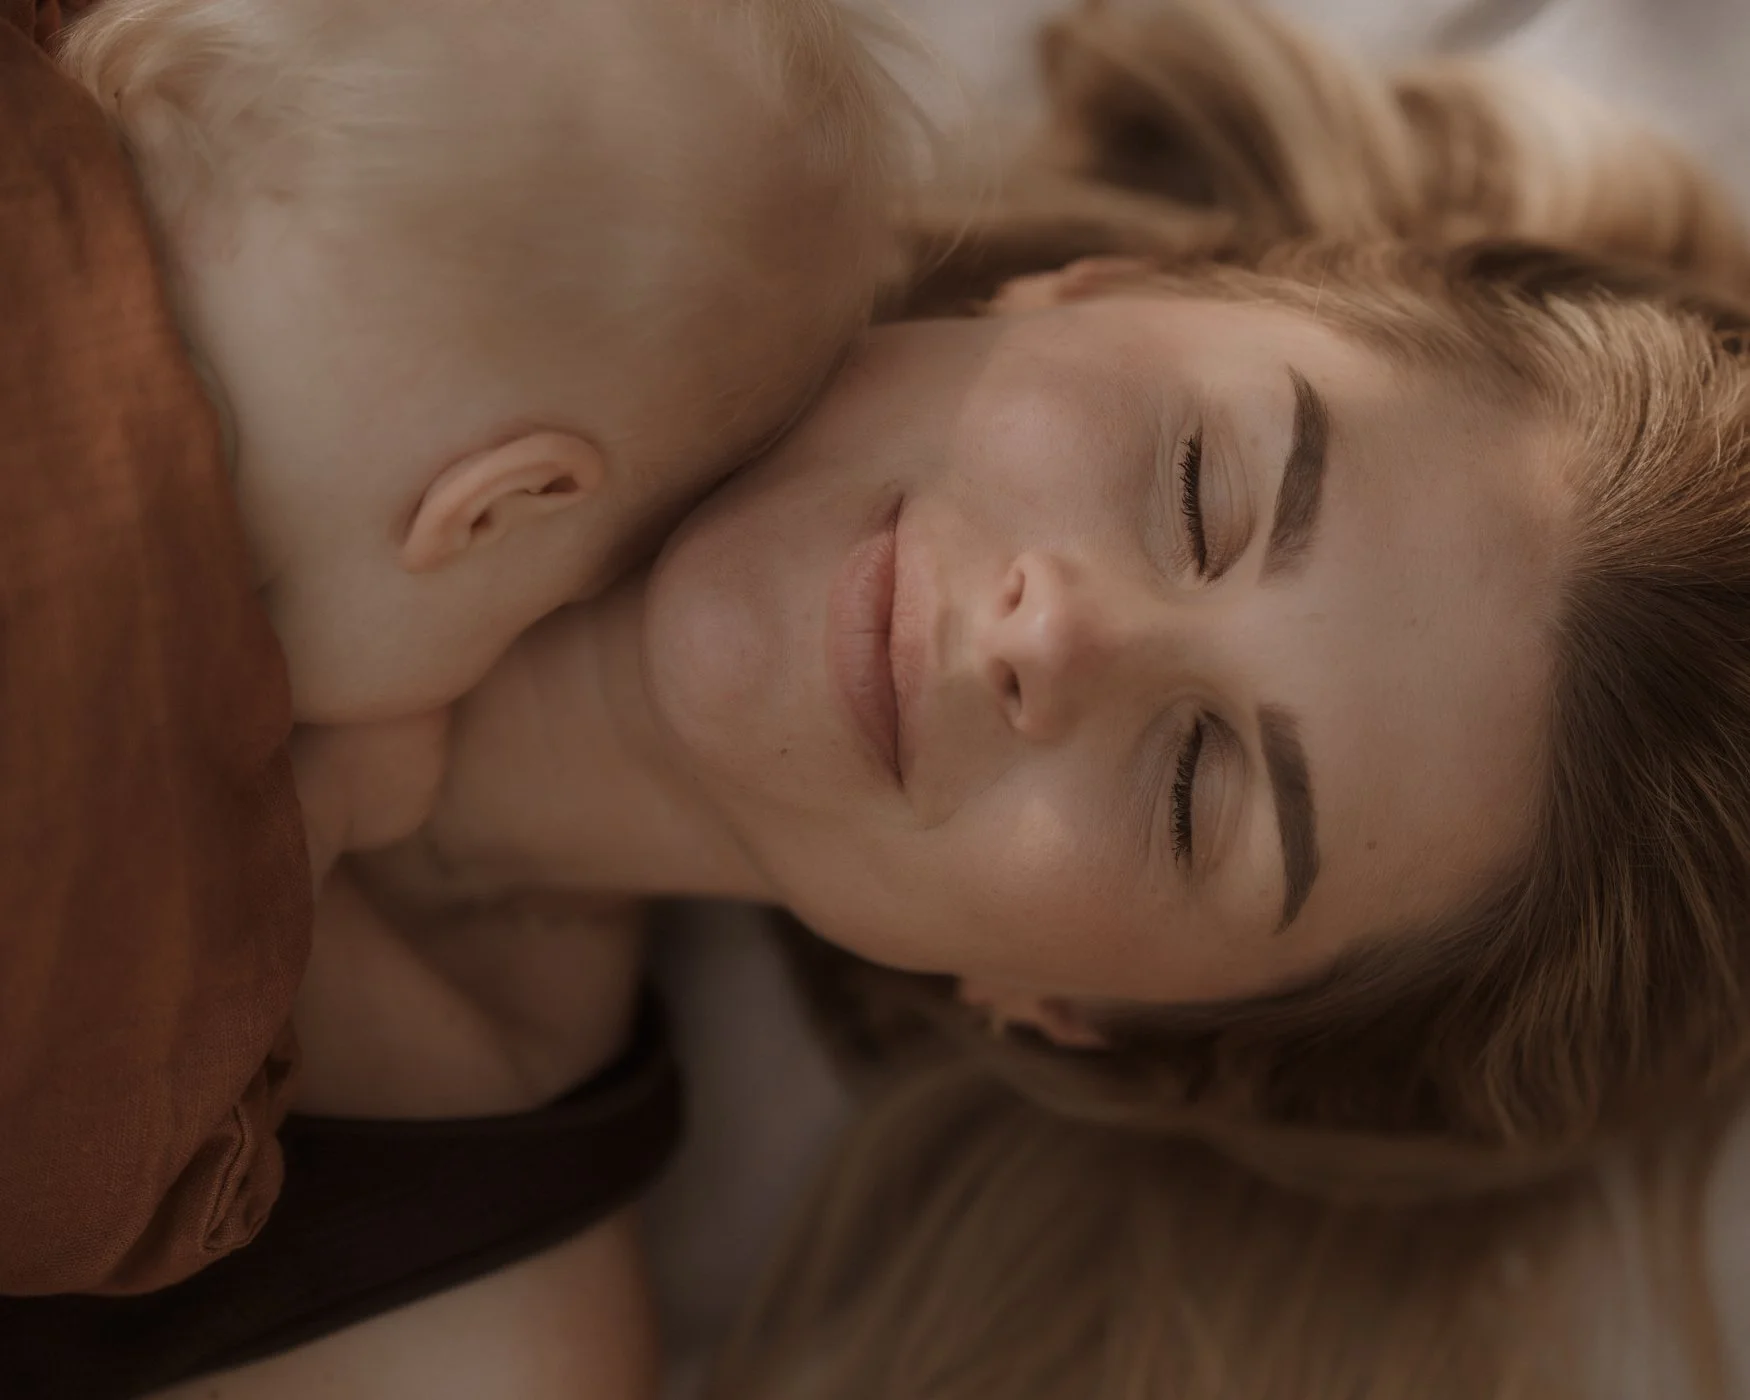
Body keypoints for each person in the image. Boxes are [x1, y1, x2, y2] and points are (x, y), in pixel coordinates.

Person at [23, 0, 1750, 1394]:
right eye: (1203, 490)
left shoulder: (438, 1348)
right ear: (1106, 293)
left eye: (1191, 795)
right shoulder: (484, 59)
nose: (1056, 637)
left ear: (1069, 1009)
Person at [0, 0, 906, 1297]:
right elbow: (97, 1193)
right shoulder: (154, 904)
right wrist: (323, 811)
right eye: (539, 602)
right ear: (495, 510)